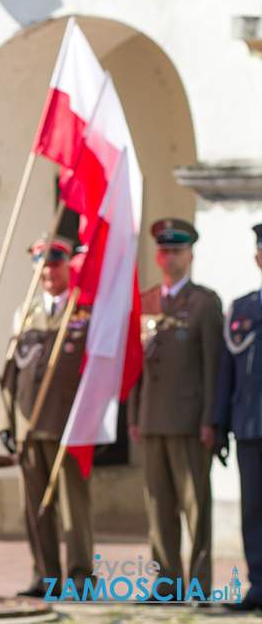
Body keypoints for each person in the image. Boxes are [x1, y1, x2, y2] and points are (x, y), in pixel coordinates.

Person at [128, 217, 222, 600]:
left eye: (177, 250)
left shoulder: (204, 302)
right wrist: (134, 416)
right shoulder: (147, 301)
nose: (170, 257)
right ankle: (166, 585)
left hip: (189, 422)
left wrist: (209, 420)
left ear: (190, 254)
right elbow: (135, 366)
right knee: (158, 510)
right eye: (165, 250)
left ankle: (198, 586)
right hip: (152, 421)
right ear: (157, 254)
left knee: (195, 510)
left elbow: (213, 367)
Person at [0, 235, 93, 598]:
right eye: (42, 265)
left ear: (68, 265)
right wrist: (4, 422)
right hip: (28, 424)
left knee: (73, 508)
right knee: (34, 510)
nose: (49, 271)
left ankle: (82, 579)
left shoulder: (84, 312)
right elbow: (11, 372)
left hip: (68, 425)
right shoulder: (26, 312)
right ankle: (45, 577)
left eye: (55, 263)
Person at [213, 222, 262, 611]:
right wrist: (218, 425)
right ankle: (258, 585)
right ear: (257, 257)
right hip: (247, 427)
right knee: (253, 510)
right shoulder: (241, 308)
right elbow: (225, 372)